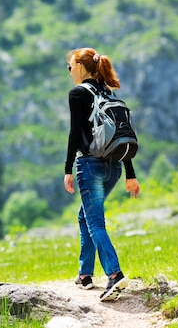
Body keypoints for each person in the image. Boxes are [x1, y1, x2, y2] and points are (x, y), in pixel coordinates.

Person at [63, 47, 141, 302]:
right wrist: (130, 175)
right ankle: (85, 274)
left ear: (82, 67)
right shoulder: (106, 93)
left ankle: (114, 274)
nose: (69, 70)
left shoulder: (77, 94)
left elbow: (75, 133)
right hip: (114, 167)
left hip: (89, 166)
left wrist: (67, 170)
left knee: (95, 221)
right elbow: (122, 134)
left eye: (71, 65)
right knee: (85, 216)